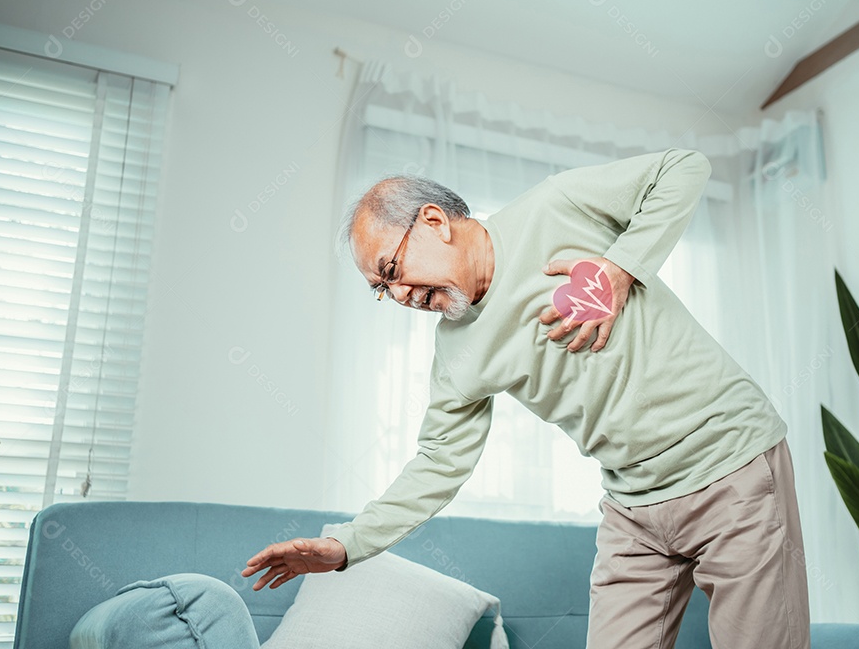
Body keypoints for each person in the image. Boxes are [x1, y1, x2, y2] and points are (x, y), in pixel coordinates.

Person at [241, 148, 810, 649]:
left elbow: (683, 167)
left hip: (730, 466)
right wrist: (345, 547)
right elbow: (438, 463)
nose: (400, 295)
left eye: (392, 270)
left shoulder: (554, 207)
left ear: (435, 221)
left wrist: (618, 270)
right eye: (381, 290)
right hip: (633, 509)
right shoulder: (456, 355)